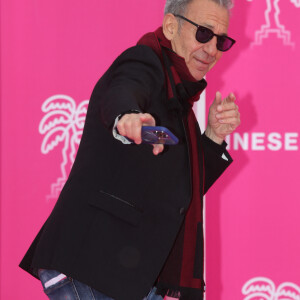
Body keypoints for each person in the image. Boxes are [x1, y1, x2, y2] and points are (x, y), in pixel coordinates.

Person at [19, 0, 240, 299]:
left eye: (221, 40)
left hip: (134, 277)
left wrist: (213, 136)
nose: (212, 50)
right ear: (171, 26)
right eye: (203, 33)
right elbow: (124, 89)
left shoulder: (180, 102)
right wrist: (127, 117)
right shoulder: (144, 62)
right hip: (92, 264)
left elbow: (182, 188)